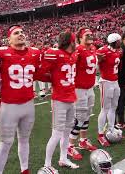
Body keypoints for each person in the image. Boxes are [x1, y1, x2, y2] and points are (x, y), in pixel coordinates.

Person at [0, 25, 41, 174]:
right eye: (16, 33)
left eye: (22, 32)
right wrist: (0, 86)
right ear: (9, 39)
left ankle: (24, 170)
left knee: (25, 140)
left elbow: (40, 72)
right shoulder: (1, 53)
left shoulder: (34, 52)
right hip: (9, 106)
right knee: (6, 143)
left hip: (28, 104)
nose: (21, 34)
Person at [39, 31, 79, 171]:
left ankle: (63, 158)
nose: (77, 44)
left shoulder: (73, 54)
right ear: (71, 42)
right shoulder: (54, 54)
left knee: (67, 131)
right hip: (59, 99)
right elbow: (41, 72)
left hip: (71, 97)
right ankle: (47, 165)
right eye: (75, 41)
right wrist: (54, 79)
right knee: (56, 133)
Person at [67, 27, 97, 161]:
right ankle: (70, 145)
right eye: (86, 35)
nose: (90, 36)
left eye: (91, 34)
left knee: (87, 115)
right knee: (79, 117)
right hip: (79, 89)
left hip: (90, 88)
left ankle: (83, 140)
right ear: (79, 38)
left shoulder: (92, 49)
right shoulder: (78, 50)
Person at [96, 33, 122, 147]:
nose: (120, 42)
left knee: (113, 107)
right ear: (115, 41)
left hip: (115, 81)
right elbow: (94, 64)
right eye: (119, 40)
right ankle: (100, 134)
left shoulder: (117, 51)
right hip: (106, 82)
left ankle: (111, 129)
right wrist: (98, 61)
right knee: (105, 109)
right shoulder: (103, 51)